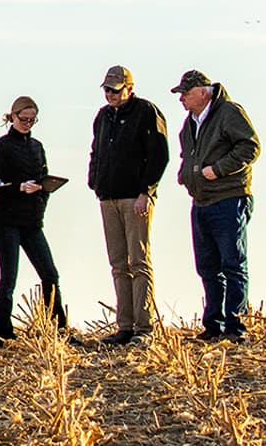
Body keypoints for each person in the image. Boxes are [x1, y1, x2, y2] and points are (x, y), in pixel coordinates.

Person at [172, 70, 261, 344]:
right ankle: (213, 325)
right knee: (208, 267)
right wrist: (185, 174)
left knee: (232, 263)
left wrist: (219, 170)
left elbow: (250, 147)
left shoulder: (229, 113)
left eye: (185, 94)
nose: (182, 99)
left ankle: (236, 327)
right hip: (200, 201)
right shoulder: (190, 123)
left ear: (202, 91)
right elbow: (188, 155)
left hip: (228, 198)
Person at [87, 65, 170, 346]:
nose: (110, 94)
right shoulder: (103, 117)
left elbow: (159, 154)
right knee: (118, 263)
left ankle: (144, 328)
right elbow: (95, 150)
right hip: (107, 197)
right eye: (107, 89)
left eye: (115, 89)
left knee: (139, 261)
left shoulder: (147, 112)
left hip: (135, 197)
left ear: (129, 89)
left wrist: (147, 192)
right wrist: (95, 182)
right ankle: (124, 326)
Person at [0, 96, 73, 344]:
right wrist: (19, 188)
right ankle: (3, 332)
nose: (27, 124)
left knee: (50, 274)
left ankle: (59, 329)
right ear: (12, 117)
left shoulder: (37, 146)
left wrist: (43, 191)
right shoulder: (0, 147)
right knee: (9, 277)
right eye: (23, 119)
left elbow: (43, 178)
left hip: (33, 221)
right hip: (7, 220)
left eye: (32, 120)